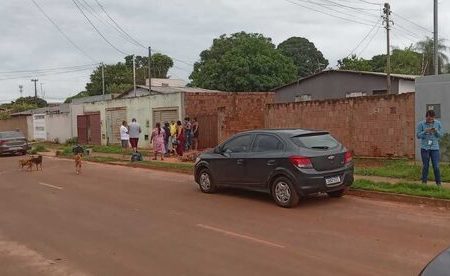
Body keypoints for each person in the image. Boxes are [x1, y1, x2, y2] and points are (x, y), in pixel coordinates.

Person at [416, 110, 443, 186]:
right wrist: (425, 131)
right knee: (426, 166)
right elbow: (418, 136)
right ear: (426, 117)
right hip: (425, 148)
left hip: (435, 148)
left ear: (434, 117)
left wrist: (436, 131)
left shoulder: (438, 123)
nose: (430, 120)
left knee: (436, 166)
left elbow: (441, 136)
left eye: (432, 119)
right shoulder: (421, 124)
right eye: (428, 119)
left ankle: (438, 184)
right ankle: (424, 183)